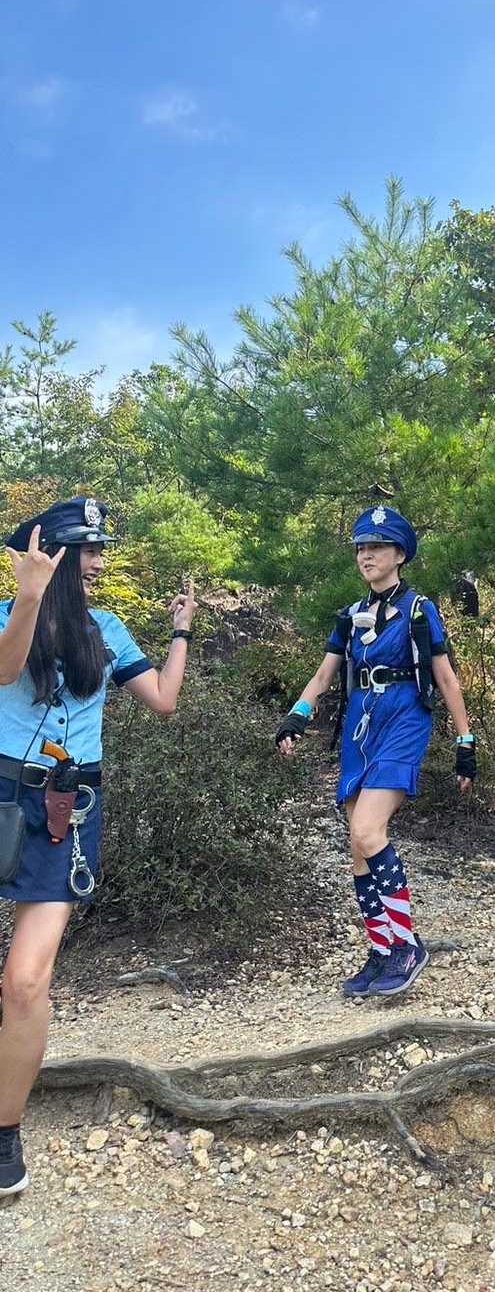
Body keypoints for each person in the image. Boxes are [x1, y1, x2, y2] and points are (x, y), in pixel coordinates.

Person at [0, 497, 197, 1198]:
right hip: (2, 791)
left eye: (98, 550)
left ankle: (4, 1134)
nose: (98, 562)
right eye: (85, 550)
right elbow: (4, 671)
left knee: (25, 981)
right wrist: (27, 598)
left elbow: (164, 700)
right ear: (48, 557)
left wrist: (181, 631)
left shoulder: (106, 629)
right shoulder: (5, 613)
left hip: (67, 809)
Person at [276, 506, 474, 1001]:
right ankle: (381, 947)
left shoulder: (419, 609)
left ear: (400, 554)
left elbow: (446, 677)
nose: (366, 555)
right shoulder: (350, 615)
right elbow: (324, 674)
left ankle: (406, 944)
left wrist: (465, 741)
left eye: (377, 547)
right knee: (357, 845)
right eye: (361, 548)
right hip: (359, 726)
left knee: (368, 829)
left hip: (405, 718)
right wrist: (297, 715)